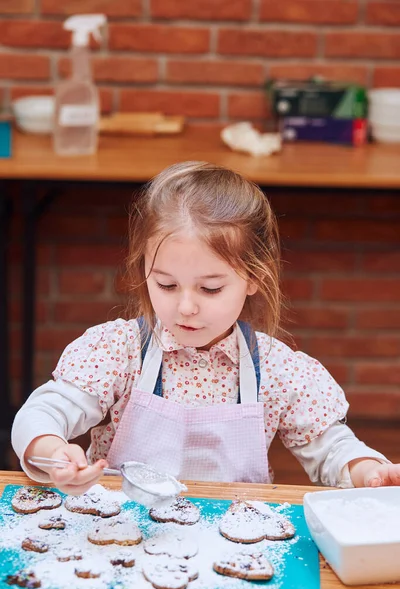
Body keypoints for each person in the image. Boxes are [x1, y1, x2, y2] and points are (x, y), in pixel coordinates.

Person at [12, 161, 400, 496]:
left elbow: (331, 449)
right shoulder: (120, 350)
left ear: (253, 278)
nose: (185, 307)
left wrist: (367, 471)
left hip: (234, 548)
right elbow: (42, 413)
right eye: (165, 284)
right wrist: (51, 450)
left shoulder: (278, 369)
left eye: (210, 288)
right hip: (124, 538)